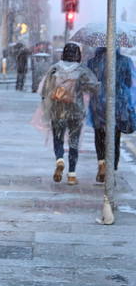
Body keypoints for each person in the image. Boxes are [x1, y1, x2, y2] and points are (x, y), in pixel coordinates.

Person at [39, 43, 99, 185]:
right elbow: (93, 87)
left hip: (57, 110)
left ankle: (59, 159)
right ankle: (72, 175)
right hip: (75, 111)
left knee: (58, 138)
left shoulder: (55, 68)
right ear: (77, 54)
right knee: (74, 142)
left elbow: (45, 91)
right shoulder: (82, 70)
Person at [87, 47, 135, 182]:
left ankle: (102, 163)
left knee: (99, 135)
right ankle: (112, 169)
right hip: (118, 103)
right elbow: (129, 82)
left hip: (98, 103)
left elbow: (89, 83)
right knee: (115, 137)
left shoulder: (92, 62)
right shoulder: (125, 61)